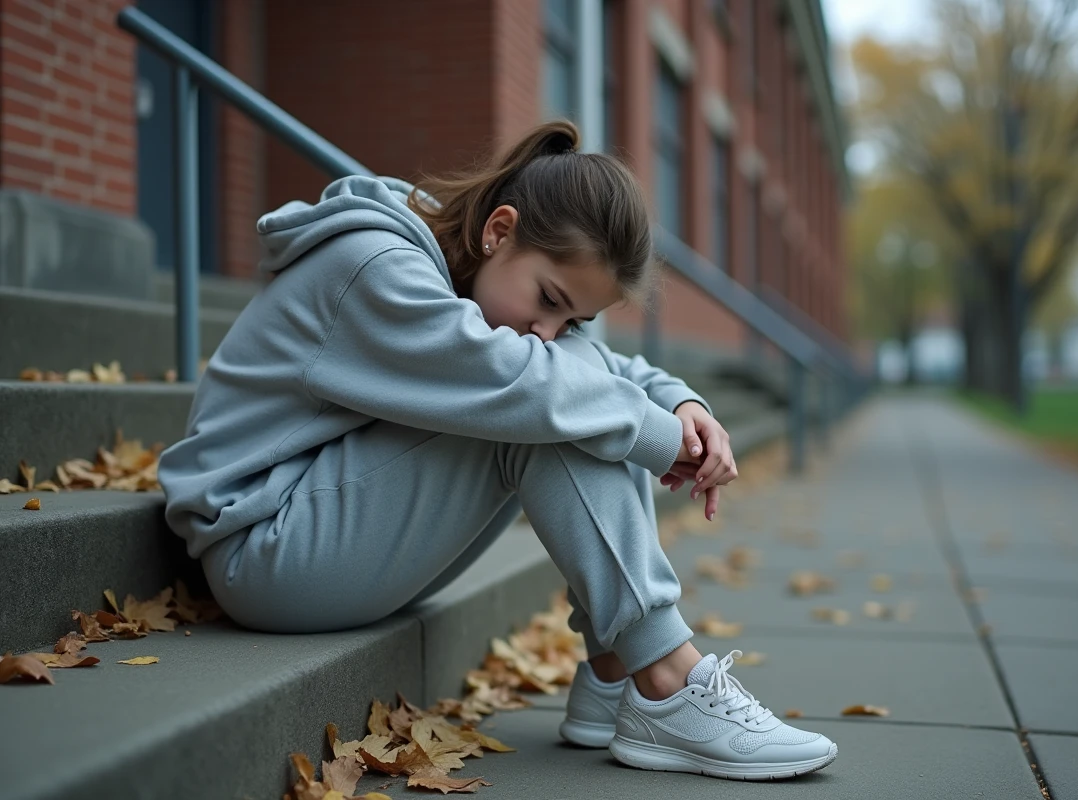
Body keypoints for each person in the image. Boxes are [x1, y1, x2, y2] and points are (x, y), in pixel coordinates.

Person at [158, 119, 837, 780]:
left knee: (569, 393)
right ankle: (663, 675)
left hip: (325, 530)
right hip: (266, 546)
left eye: (572, 318)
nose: (549, 331)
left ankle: (613, 672)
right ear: (499, 230)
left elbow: (580, 364)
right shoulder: (372, 266)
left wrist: (682, 406)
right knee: (553, 409)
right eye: (549, 299)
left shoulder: (478, 286)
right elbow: (535, 383)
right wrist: (659, 437)